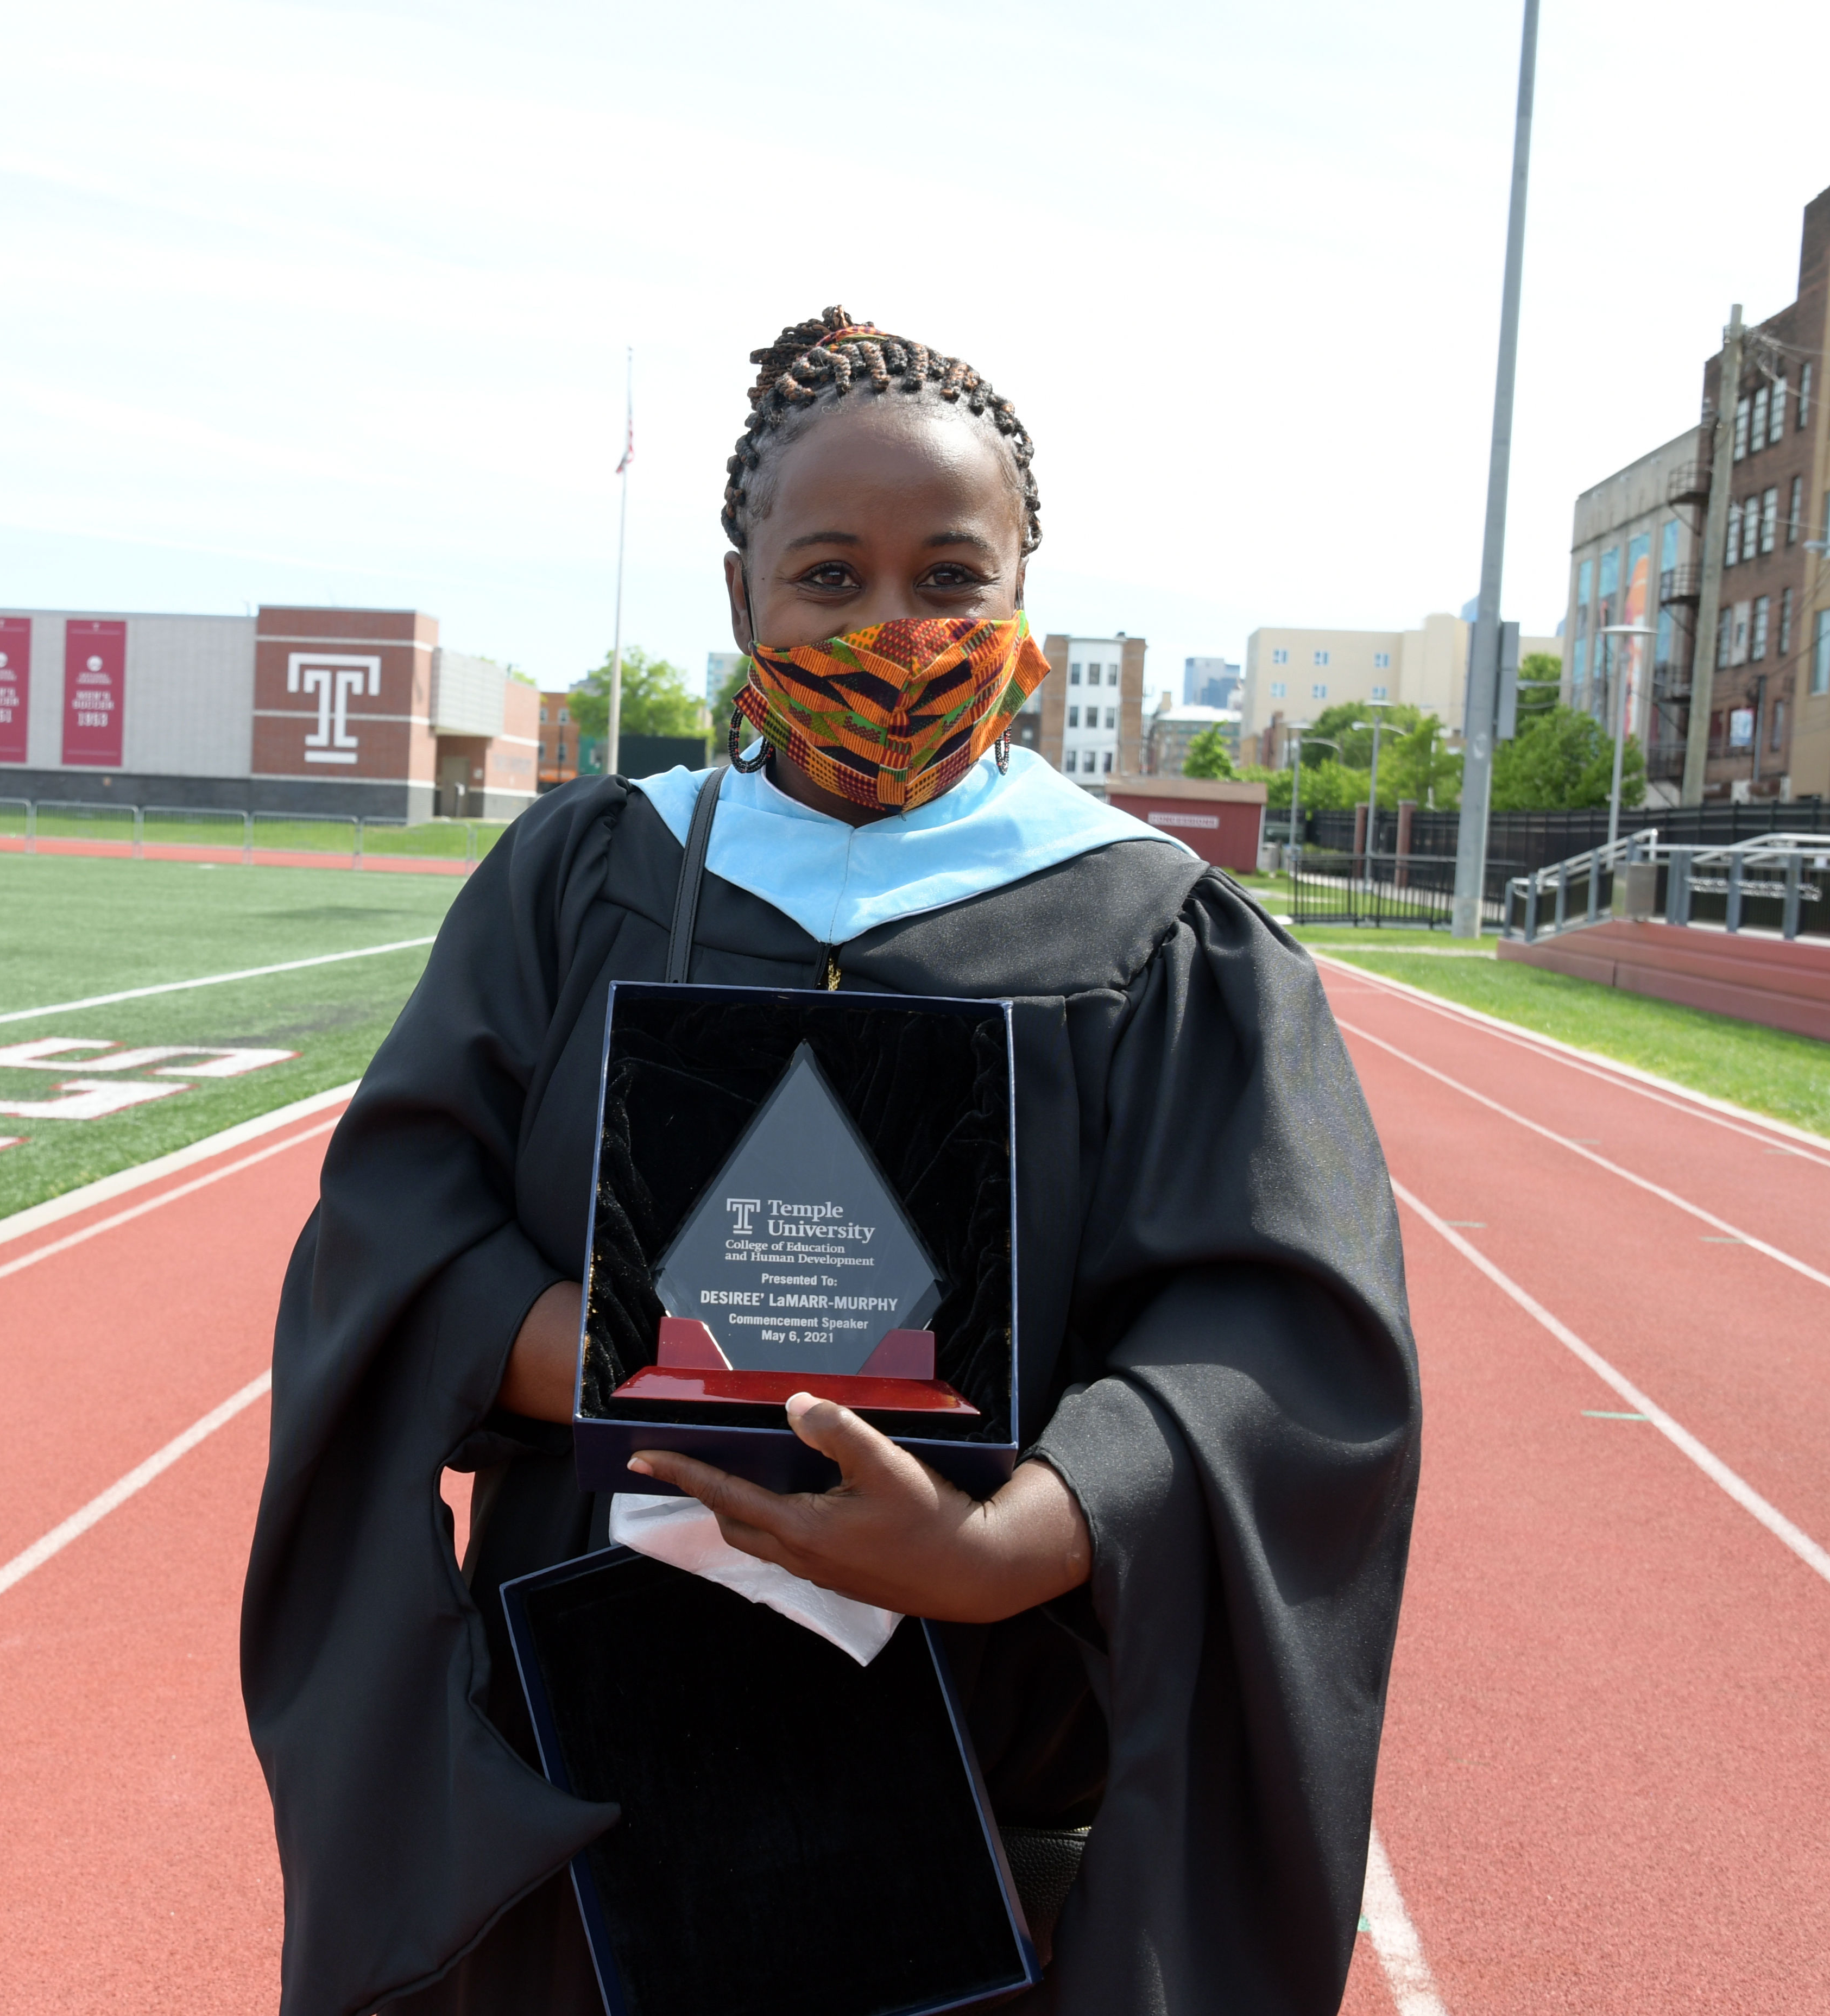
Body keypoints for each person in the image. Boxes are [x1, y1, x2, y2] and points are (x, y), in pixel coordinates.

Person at [242, 308, 1418, 2015]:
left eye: (951, 576)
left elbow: (1277, 1341)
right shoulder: (590, 880)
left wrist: (1010, 1537)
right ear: (743, 603)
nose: (893, 633)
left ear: (1025, 597)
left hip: (978, 1773)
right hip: (587, 1775)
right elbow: (398, 1215)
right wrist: (630, 1367)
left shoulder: (1155, 937)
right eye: (829, 579)